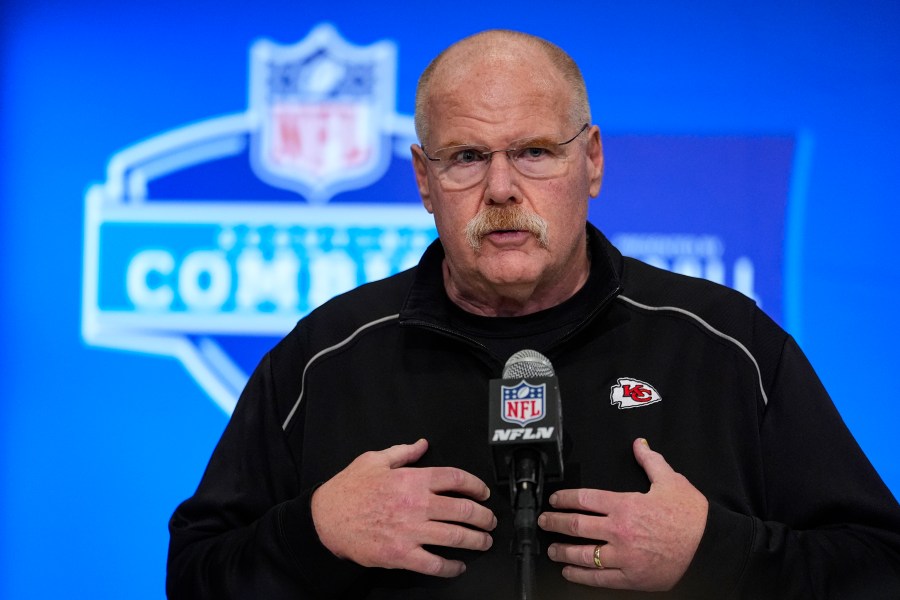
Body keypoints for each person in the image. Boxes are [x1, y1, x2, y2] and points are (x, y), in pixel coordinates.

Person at [166, 30, 900, 599]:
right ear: (424, 179)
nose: (502, 188)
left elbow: (879, 566)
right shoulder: (326, 357)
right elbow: (193, 574)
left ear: (594, 162)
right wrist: (316, 532)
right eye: (466, 157)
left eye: (536, 152)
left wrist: (716, 556)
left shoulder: (727, 347)